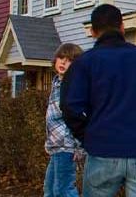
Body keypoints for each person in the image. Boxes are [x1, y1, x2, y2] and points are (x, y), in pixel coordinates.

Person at [61, 4, 136, 197]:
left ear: (93, 31)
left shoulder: (85, 63)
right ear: (122, 27)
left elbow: (69, 106)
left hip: (103, 149)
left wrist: (88, 136)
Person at [45, 43, 85, 197]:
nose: (63, 62)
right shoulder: (56, 83)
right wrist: (49, 142)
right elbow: (52, 119)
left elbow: (79, 118)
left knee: (63, 189)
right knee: (49, 189)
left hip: (67, 145)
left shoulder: (74, 86)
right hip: (55, 145)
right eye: (61, 58)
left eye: (69, 60)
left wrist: (80, 147)